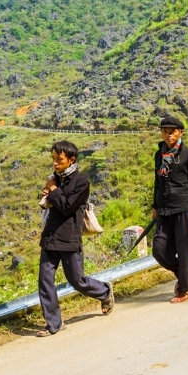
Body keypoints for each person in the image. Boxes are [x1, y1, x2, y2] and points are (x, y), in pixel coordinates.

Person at [36, 139, 113, 336]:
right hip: (50, 237)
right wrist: (48, 194)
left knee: (77, 280)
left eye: (59, 159)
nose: (55, 163)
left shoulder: (82, 182)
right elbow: (53, 203)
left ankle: (104, 291)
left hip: (69, 237)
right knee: (45, 280)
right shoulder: (54, 178)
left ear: (71, 160)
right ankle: (54, 323)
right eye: (53, 158)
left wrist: (52, 190)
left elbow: (68, 207)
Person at [150, 115, 188, 304]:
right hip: (164, 210)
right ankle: (183, 270)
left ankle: (183, 289)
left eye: (172, 131)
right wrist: (155, 206)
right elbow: (157, 182)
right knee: (159, 250)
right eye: (165, 131)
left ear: (180, 132)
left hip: (184, 209)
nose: (168, 135)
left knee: (185, 250)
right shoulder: (159, 155)